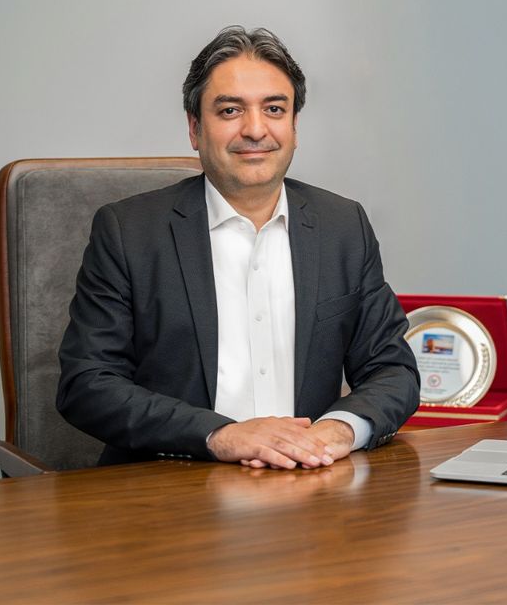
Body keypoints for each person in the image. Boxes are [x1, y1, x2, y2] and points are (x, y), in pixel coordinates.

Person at [57, 26, 419, 469]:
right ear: (195, 128)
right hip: (170, 485)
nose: (255, 129)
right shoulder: (128, 232)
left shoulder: (343, 226)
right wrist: (220, 435)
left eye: (274, 109)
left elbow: (392, 369)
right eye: (230, 110)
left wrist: (339, 430)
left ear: (294, 126)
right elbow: (87, 383)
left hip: (309, 479)